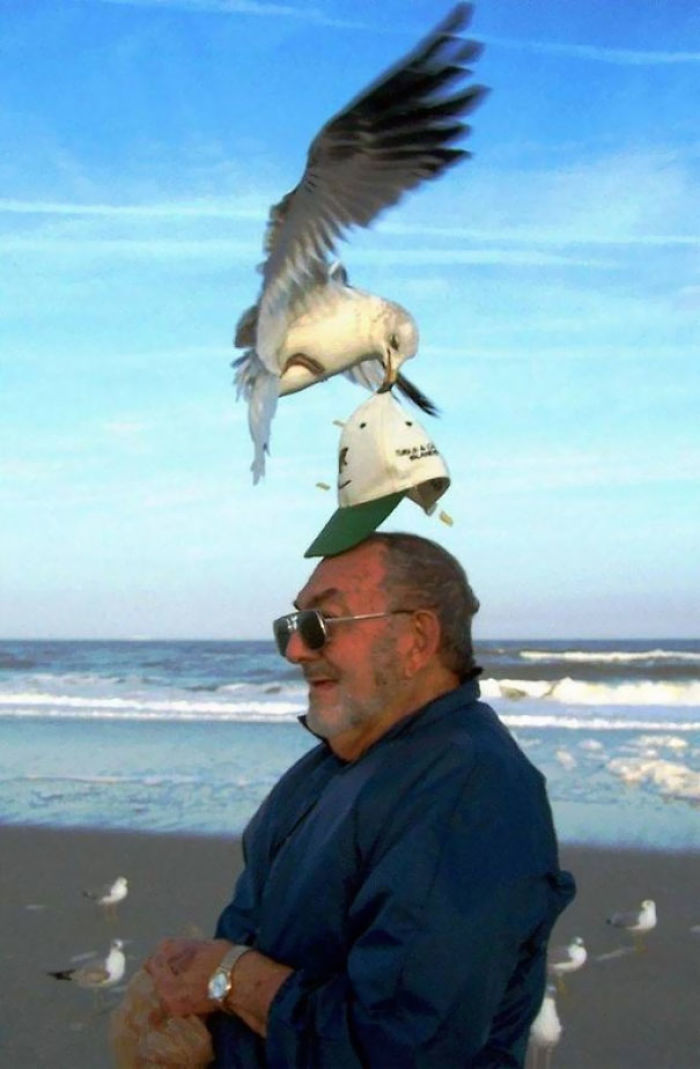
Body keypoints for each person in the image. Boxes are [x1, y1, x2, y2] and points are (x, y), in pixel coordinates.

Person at [145, 533, 575, 1067]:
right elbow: (251, 931)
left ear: (416, 639)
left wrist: (230, 978)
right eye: (293, 625)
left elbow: (399, 1046)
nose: (296, 650)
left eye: (323, 623)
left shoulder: (468, 791)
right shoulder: (329, 766)